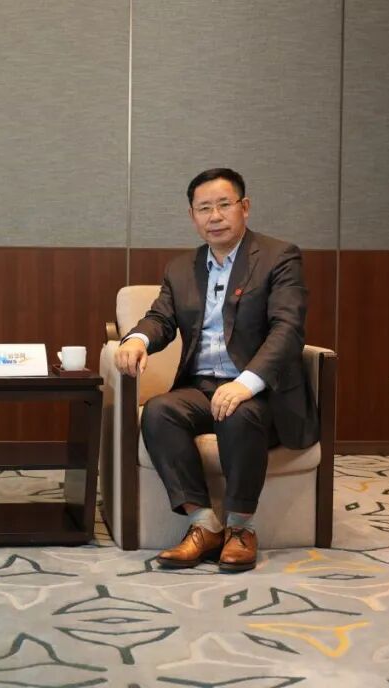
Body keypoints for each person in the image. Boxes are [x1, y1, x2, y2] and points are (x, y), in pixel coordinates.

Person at [115, 168, 318, 572]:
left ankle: (241, 528)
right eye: (204, 208)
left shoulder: (279, 256)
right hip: (201, 386)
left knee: (237, 413)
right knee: (159, 411)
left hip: (261, 392)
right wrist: (136, 339)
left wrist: (245, 384)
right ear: (192, 216)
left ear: (245, 207)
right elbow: (160, 318)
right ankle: (204, 524)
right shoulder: (181, 268)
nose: (215, 216)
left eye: (224, 205)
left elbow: (288, 329)